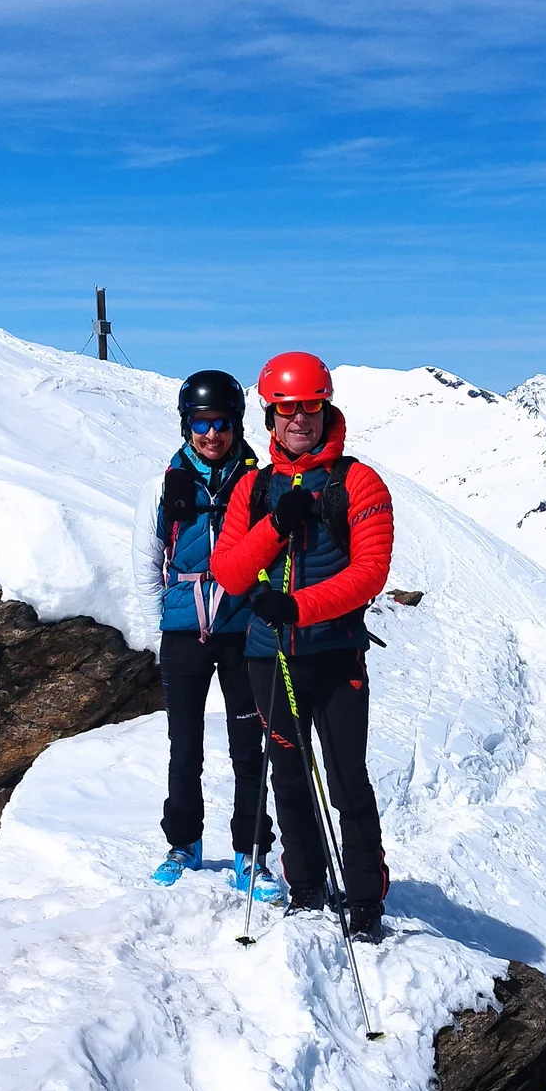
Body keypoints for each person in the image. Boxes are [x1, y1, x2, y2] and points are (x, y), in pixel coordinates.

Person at [210, 351, 394, 941]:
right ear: (269, 416)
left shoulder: (358, 482)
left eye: (310, 407)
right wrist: (277, 525)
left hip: (335, 655)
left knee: (346, 780)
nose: (300, 420)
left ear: (326, 408)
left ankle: (365, 898)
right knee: (287, 775)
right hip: (270, 657)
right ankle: (307, 887)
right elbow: (231, 573)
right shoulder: (254, 488)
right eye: (287, 409)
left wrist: (297, 608)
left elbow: (370, 574)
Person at [133, 369, 281, 900]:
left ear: (237, 424)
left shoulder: (260, 484)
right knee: (184, 746)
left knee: (249, 747)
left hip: (244, 633)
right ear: (186, 425)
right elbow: (147, 563)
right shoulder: (163, 486)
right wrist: (162, 626)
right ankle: (184, 843)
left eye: (221, 423)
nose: (212, 434)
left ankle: (251, 853)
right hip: (184, 634)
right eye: (201, 423)